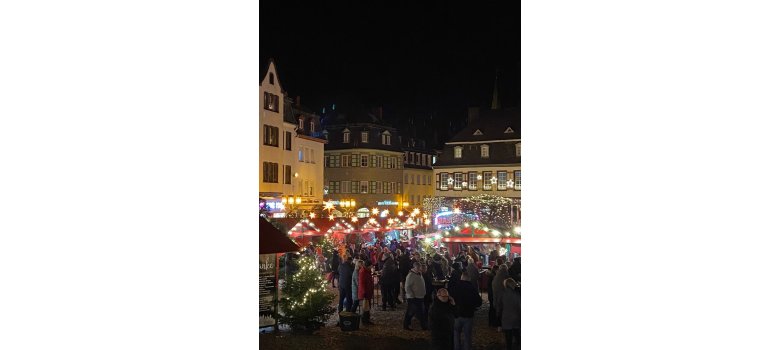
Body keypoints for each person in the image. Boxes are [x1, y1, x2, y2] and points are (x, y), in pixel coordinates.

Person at [448, 273, 482, 350]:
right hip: (468, 315)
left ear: (461, 278)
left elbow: (449, 300)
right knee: (467, 336)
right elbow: (479, 302)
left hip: (457, 314)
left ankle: (457, 348)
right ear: (469, 279)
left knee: (456, 334)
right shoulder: (472, 289)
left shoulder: (455, 287)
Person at [403, 262, 428, 330]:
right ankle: (406, 325)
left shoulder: (419, 274)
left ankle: (424, 325)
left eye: (420, 268)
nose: (419, 269)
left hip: (420, 296)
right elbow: (407, 287)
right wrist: (411, 296)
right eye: (418, 268)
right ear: (414, 267)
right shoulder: (411, 275)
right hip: (414, 297)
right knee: (410, 312)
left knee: (421, 312)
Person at [498, 278, 520, 350]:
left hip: (506, 317)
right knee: (517, 334)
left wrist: (498, 319)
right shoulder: (517, 294)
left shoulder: (502, 294)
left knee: (508, 337)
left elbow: (499, 307)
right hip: (516, 317)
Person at [491, 264, 509, 328]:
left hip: (496, 295)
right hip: (503, 296)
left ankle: (498, 325)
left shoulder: (496, 276)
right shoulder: (506, 275)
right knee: (503, 310)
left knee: (497, 309)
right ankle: (503, 325)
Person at [358, 260, 375, 325]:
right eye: (371, 266)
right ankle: (365, 320)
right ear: (368, 266)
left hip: (368, 291)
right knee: (366, 307)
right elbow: (362, 283)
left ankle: (367, 319)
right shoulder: (363, 272)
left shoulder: (366, 271)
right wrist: (364, 293)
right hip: (365, 292)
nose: (372, 267)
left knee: (367, 306)